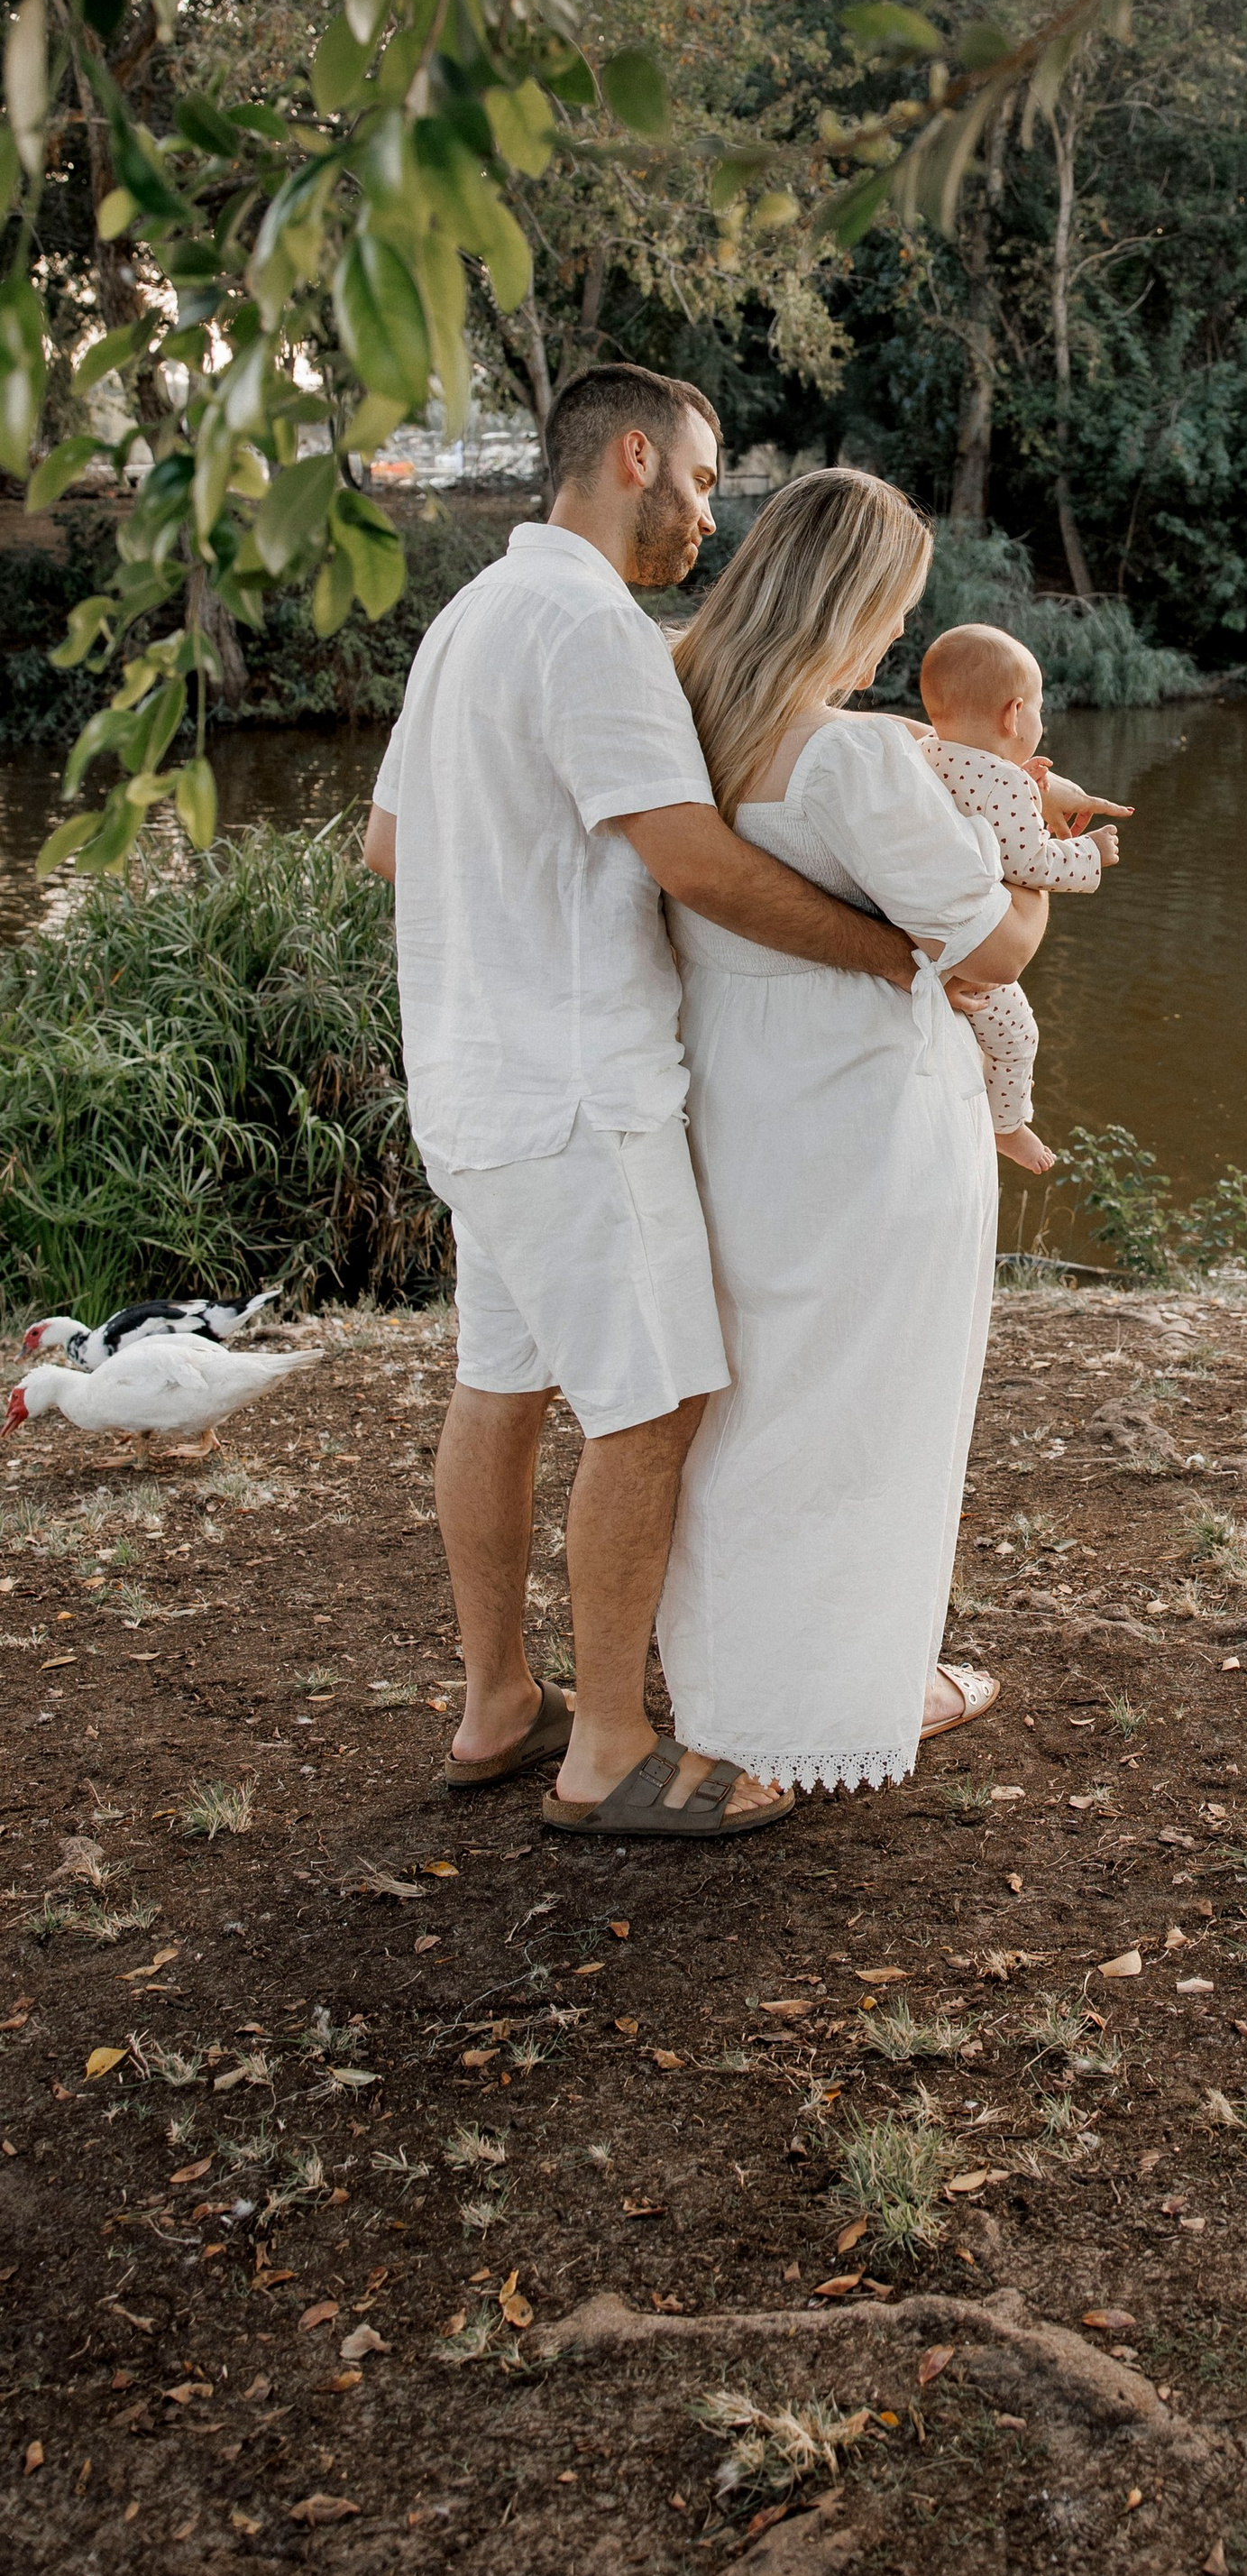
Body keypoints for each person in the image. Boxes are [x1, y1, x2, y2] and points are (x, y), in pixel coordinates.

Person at [362, 365, 944, 1840]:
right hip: (578, 1093)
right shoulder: (589, 629)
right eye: (697, 479)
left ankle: (501, 1701)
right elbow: (690, 859)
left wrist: (523, 889)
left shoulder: (468, 622)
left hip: (473, 1083)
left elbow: (385, 844)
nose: (707, 512)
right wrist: (890, 951)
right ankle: (610, 1748)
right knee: (662, 1396)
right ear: (634, 457)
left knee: (500, 1386)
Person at [656, 471, 1047, 1799]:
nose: (894, 641)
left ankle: (730, 1700)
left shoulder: (679, 716)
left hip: (721, 1092)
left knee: (746, 1404)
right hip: (862, 1114)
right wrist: (1031, 843)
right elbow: (986, 950)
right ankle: (833, 1702)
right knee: (873, 1408)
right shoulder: (857, 753)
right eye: (896, 612)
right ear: (858, 604)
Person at [917, 620, 1130, 1176]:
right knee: (1017, 1037)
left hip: (920, 927)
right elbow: (1030, 862)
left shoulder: (926, 754)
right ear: (1014, 715)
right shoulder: (1005, 784)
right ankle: (1007, 1127)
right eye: (1038, 708)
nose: (1039, 719)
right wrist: (1089, 852)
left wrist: (1029, 787)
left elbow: (980, 808)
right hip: (975, 942)